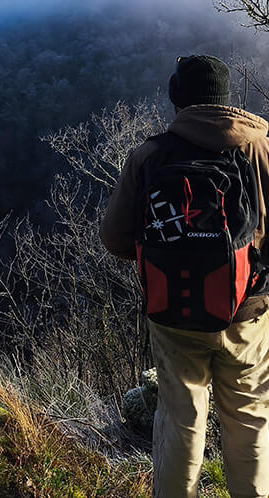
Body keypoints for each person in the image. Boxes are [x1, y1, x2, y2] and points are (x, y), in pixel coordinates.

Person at [100, 55, 269, 498]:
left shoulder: (150, 155)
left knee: (180, 419)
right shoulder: (258, 149)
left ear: (178, 99)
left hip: (173, 308)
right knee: (249, 416)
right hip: (246, 310)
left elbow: (114, 238)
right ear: (225, 99)